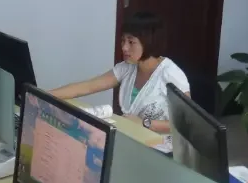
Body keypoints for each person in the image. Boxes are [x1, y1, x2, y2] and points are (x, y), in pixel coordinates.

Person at [50, 12, 190, 145]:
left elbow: (186, 124)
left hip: (162, 147)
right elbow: (87, 86)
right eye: (123, 40)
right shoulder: (127, 67)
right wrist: (44, 95)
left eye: (131, 42)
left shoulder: (171, 74)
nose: (124, 47)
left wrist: (145, 123)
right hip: (132, 140)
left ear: (149, 42)